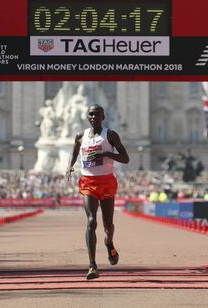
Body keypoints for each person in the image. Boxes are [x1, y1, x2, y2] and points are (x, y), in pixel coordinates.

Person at [66, 104, 129, 280]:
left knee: (107, 225)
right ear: (87, 117)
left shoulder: (110, 135)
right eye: (90, 114)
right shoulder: (80, 136)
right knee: (91, 221)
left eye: (96, 114)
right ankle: (92, 265)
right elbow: (74, 153)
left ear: (103, 116)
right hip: (88, 182)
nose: (93, 117)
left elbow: (125, 158)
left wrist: (105, 154)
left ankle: (109, 242)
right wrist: (69, 168)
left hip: (107, 182)